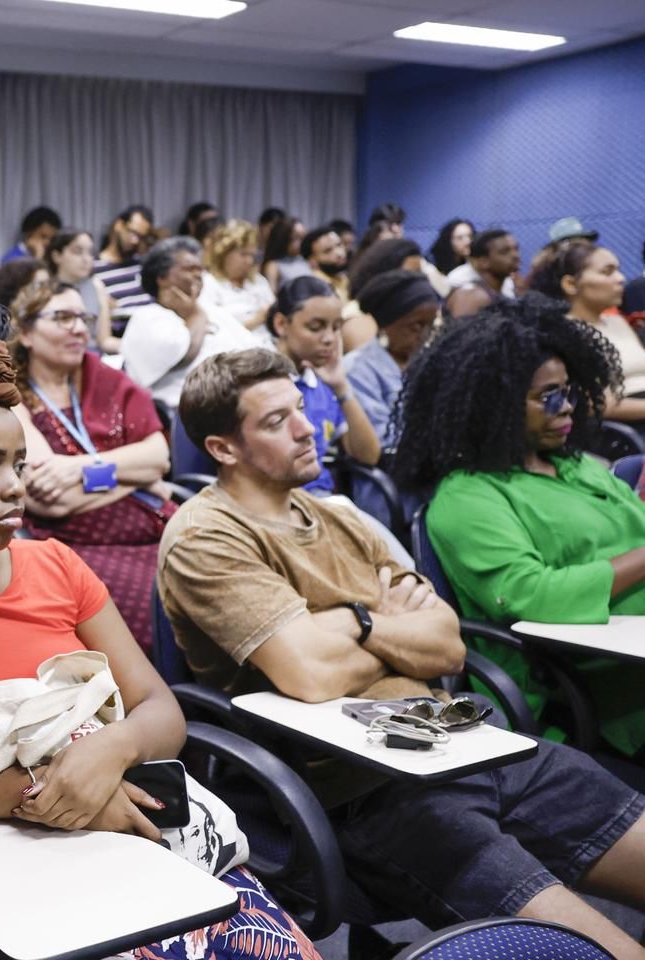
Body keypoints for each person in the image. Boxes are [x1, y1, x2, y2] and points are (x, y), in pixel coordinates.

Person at [0, 288, 321, 960]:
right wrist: (46, 794)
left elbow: (159, 708)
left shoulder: (57, 564)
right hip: (15, 878)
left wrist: (108, 753)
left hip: (144, 839)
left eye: (18, 463)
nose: (14, 486)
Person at [159, 347, 645, 957]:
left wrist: (350, 627)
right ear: (223, 448)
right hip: (372, 790)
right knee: (612, 951)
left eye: (301, 408)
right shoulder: (206, 538)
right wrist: (379, 619)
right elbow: (311, 675)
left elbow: (447, 644)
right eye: (277, 421)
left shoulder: (340, 516)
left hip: (471, 743)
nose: (309, 428)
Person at [394, 295, 645, 760]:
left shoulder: (574, 466)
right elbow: (531, 594)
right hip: (594, 684)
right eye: (547, 396)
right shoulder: (467, 497)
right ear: (496, 405)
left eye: (568, 390)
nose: (566, 407)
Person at [10, 279, 172, 642]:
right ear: (27, 333)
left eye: (84, 318)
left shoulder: (106, 379)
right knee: (156, 607)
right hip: (84, 544)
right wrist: (137, 477)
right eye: (63, 318)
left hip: (158, 523)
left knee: (219, 574)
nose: (79, 329)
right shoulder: (12, 396)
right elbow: (53, 500)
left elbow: (159, 456)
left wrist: (76, 467)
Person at [265, 277, 380, 495]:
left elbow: (368, 456)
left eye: (336, 328)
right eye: (316, 327)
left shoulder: (323, 380)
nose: (329, 338)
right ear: (281, 324)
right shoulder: (257, 381)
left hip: (321, 499)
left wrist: (341, 387)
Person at [121, 237, 253, 415]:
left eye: (201, 269)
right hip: (192, 412)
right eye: (190, 269)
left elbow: (252, 347)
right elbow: (181, 354)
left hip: (243, 397)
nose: (199, 275)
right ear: (162, 278)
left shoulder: (212, 310)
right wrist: (195, 315)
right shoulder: (147, 316)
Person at [527, 239, 645, 421]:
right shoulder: (563, 332)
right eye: (607, 272)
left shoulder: (616, 321)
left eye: (618, 270)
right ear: (571, 284)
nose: (620, 278)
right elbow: (592, 404)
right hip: (624, 430)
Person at [345, 269, 440, 447]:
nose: (425, 335)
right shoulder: (358, 369)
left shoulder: (429, 360)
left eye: (431, 325)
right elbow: (382, 438)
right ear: (386, 325)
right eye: (416, 326)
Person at [339, 237, 425, 352]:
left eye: (419, 273)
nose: (417, 280)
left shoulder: (409, 310)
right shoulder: (357, 317)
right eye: (408, 274)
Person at [44, 227, 119, 353]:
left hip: (92, 355)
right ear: (57, 256)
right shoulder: (44, 288)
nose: (86, 259)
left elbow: (105, 341)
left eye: (90, 252)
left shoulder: (97, 285)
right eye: (77, 252)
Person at [199, 219, 273, 336]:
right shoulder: (207, 283)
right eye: (243, 254)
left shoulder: (258, 280)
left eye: (252, 255)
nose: (249, 261)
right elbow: (213, 331)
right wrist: (256, 320)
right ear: (223, 254)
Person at [94, 204, 156, 320]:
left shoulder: (143, 265)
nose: (135, 241)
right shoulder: (94, 268)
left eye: (141, 237)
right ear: (119, 225)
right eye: (132, 232)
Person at [448, 228, 520, 298]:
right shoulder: (459, 280)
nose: (515, 255)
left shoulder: (505, 279)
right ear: (483, 261)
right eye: (504, 252)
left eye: (516, 249)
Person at [260, 217, 308, 292]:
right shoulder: (273, 265)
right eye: (296, 238)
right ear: (283, 238)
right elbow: (271, 296)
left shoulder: (305, 260)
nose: (302, 243)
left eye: (303, 238)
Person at [300, 226, 348, 298]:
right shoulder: (316, 291)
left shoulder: (342, 277)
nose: (339, 253)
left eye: (339, 245)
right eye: (328, 251)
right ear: (312, 261)